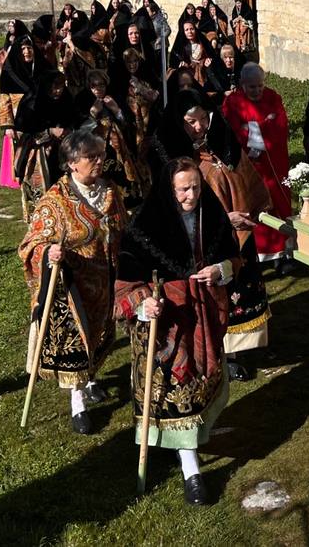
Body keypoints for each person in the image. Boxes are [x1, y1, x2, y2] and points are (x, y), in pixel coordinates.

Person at [115, 157, 239, 505]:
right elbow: (125, 283)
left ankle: (195, 441)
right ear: (168, 191)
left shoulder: (211, 214)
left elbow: (236, 257)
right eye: (183, 189)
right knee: (177, 384)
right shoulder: (143, 227)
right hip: (167, 322)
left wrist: (220, 270)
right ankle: (192, 471)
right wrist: (143, 304)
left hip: (203, 314)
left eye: (196, 187)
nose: (192, 195)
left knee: (200, 384)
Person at [153, 89, 272, 381]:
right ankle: (217, 351)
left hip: (237, 235)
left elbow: (244, 178)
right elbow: (174, 205)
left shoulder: (223, 142)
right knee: (213, 296)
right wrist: (222, 219)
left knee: (240, 289)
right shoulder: (171, 155)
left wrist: (246, 212)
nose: (198, 127)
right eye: (190, 121)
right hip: (202, 241)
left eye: (203, 119)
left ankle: (237, 349)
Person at [18, 130, 127, 435]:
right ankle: (77, 402)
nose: (98, 161)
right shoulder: (55, 201)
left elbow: (124, 230)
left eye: (101, 155)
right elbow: (31, 243)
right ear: (71, 163)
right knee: (75, 345)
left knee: (100, 338)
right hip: (72, 289)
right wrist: (47, 251)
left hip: (106, 282)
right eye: (91, 156)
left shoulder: (111, 192)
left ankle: (91, 379)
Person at [223, 63, 292, 266]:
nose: (257, 91)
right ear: (243, 85)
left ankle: (282, 251)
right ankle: (259, 252)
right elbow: (232, 130)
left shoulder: (273, 97)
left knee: (278, 203)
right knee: (255, 204)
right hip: (250, 167)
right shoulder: (232, 102)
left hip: (274, 164)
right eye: (252, 87)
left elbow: (280, 125)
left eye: (260, 86)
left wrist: (253, 127)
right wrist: (258, 129)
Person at [75, 70, 149, 205]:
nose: (98, 89)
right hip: (95, 148)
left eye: (101, 85)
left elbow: (130, 123)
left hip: (119, 149)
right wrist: (92, 114)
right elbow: (78, 129)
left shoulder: (115, 97)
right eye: (94, 85)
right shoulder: (82, 100)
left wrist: (116, 110)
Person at [13, 72, 78, 220]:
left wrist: (68, 130)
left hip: (62, 152)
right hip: (38, 154)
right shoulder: (32, 104)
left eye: (61, 87)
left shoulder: (66, 99)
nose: (58, 91)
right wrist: (49, 132)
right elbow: (24, 133)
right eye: (55, 87)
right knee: (43, 191)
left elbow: (73, 119)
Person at [0, 35, 37, 188]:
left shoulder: (39, 69)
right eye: (23, 49)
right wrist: (8, 125)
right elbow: (4, 100)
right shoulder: (10, 72)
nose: (27, 52)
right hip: (18, 120)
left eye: (29, 48)